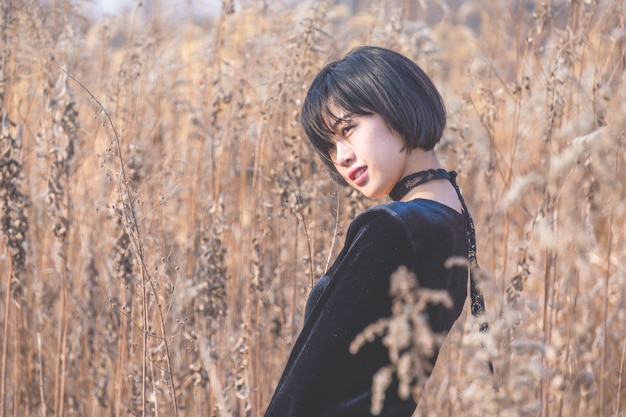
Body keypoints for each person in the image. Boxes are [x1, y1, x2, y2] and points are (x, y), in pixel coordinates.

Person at [264, 46, 486, 417]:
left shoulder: (391, 228)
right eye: (330, 146)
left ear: (395, 102)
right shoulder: (455, 221)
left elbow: (304, 386)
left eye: (347, 129)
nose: (341, 156)